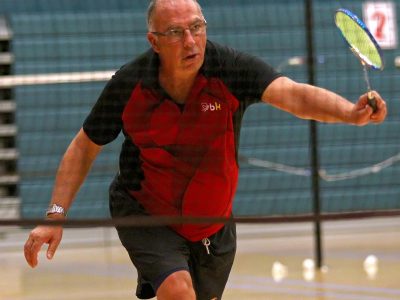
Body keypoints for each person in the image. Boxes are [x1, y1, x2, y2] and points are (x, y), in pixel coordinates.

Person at [23, 0, 387, 299]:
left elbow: (291, 93)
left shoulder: (229, 68)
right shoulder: (129, 85)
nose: (191, 41)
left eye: (197, 27)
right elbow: (85, 146)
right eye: (176, 33)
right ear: (154, 41)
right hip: (146, 212)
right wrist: (56, 214)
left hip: (212, 223)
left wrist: (348, 113)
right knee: (179, 292)